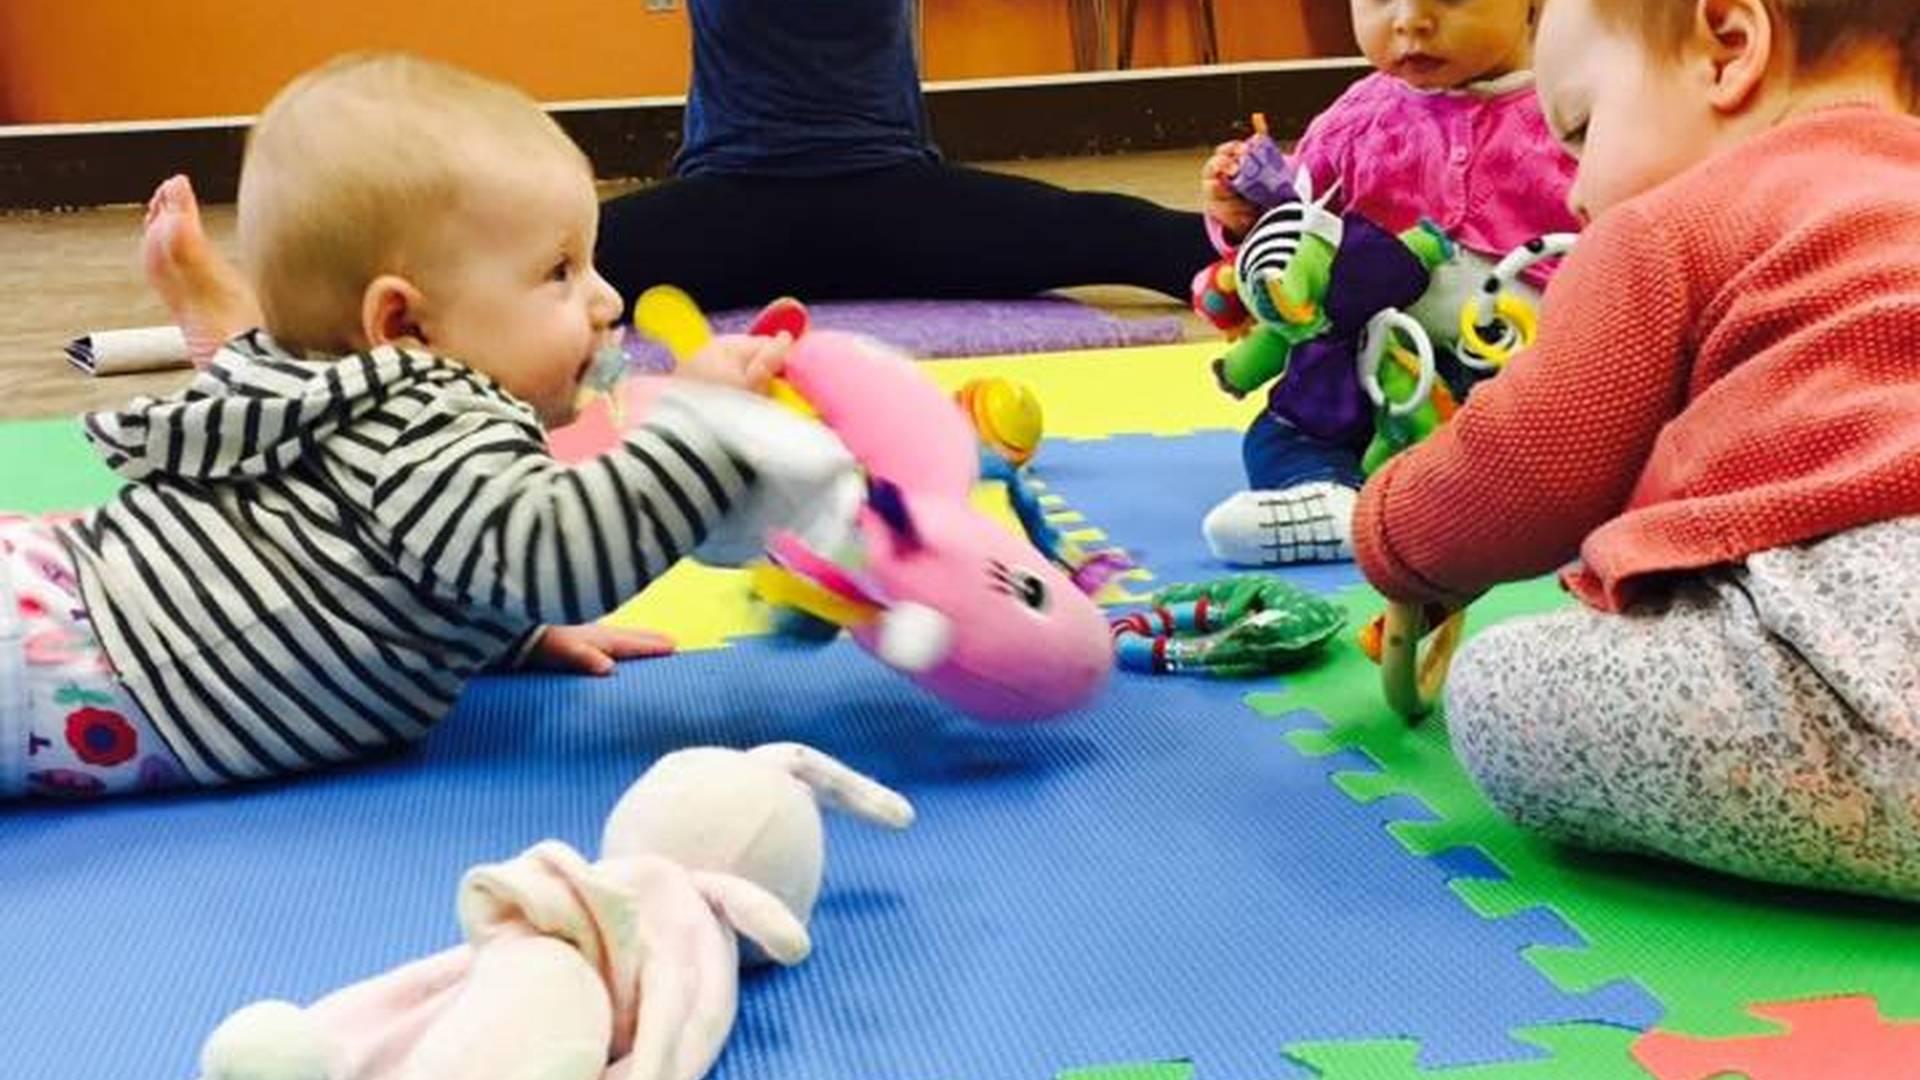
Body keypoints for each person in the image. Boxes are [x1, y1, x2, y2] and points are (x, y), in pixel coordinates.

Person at [3, 53, 857, 800]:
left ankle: (229, 331)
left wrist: (506, 628)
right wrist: (705, 429)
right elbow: (553, 549)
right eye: (560, 273)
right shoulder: (429, 410)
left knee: (282, 405)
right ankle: (225, 328)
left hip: (69, 602)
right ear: (407, 327)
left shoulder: (384, 402)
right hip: (59, 667)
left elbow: (411, 547)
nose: (607, 301)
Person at [1354, 0, 1920, 899]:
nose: (1574, 191)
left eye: (1581, 130)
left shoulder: (1664, 225)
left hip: (1867, 658)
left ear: (1728, 49)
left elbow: (1527, 470)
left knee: (1504, 689)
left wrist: (1392, 529)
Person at [1196, 0, 1581, 568]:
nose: (1409, 20)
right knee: (1285, 432)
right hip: (1374, 369)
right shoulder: (1358, 117)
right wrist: (1245, 216)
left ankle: (1474, 510)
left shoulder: (1577, 111)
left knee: (1563, 438)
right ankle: (1331, 503)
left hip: (1518, 376)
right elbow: (1300, 238)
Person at [592, 0, 1218, 312]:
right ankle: (1280, 257)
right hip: (900, 217)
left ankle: (1263, 253)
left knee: (550, 267)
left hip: (734, 223)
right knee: (1127, 233)